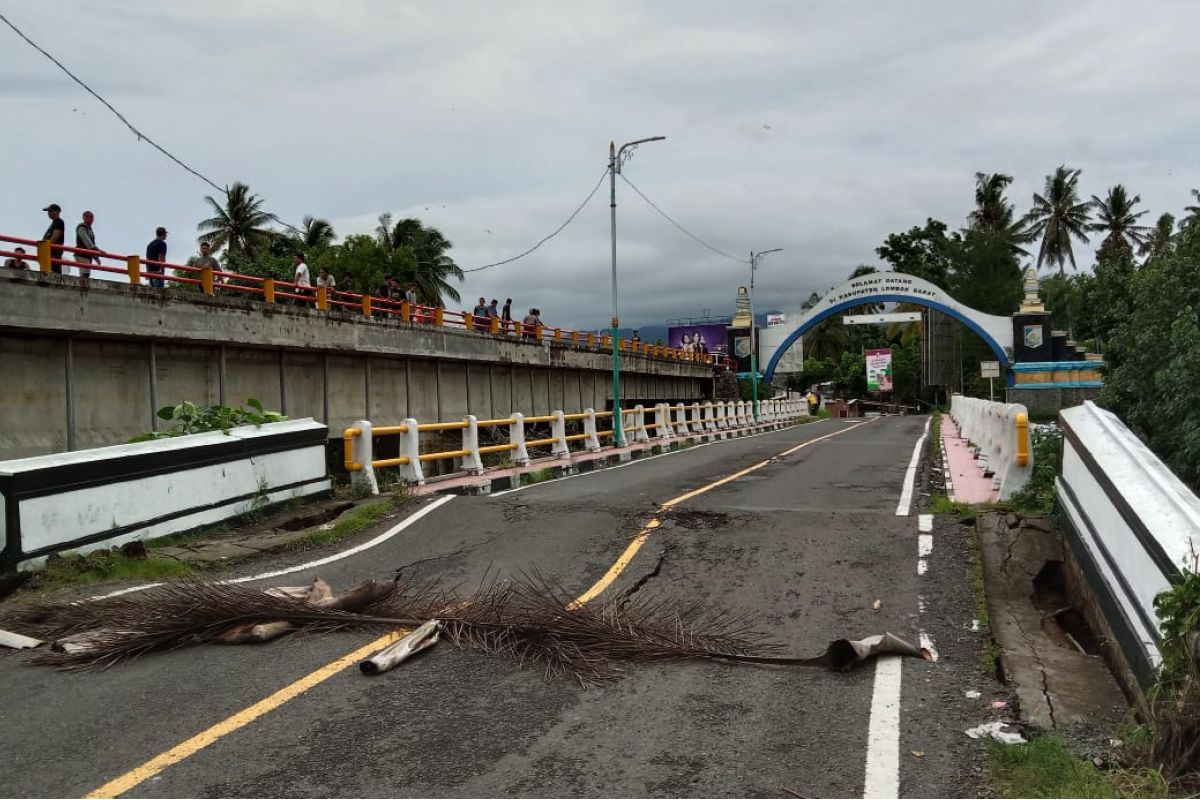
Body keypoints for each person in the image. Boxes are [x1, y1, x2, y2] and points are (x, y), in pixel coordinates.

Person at [41, 203, 66, 274]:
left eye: (51, 211)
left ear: (57, 212)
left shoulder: (58, 221)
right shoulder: (55, 222)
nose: (49, 213)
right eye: (48, 211)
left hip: (54, 252)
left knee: (53, 272)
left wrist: (47, 247)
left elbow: (55, 236)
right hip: (50, 252)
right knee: (49, 271)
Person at [74, 210, 97, 280]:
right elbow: (87, 241)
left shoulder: (89, 229)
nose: (89, 218)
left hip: (87, 255)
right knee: (85, 272)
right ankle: (82, 286)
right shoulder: (81, 227)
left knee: (86, 272)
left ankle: (83, 285)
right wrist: (96, 250)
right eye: (87, 216)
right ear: (83, 218)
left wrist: (96, 256)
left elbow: (91, 243)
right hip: (81, 254)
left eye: (91, 217)